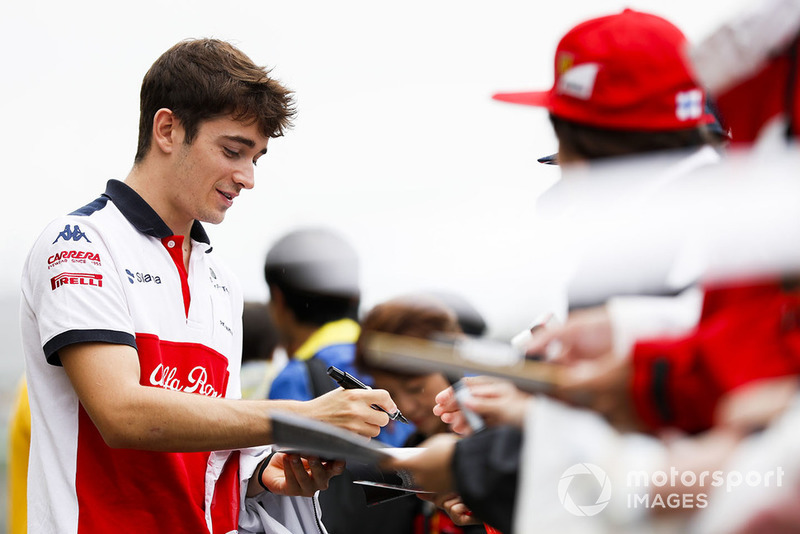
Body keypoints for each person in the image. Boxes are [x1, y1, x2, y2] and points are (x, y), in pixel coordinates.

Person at [20, 38, 398, 533]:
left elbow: (211, 454)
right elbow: (123, 414)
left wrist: (264, 472)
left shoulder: (221, 280)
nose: (248, 177)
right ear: (167, 129)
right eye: (233, 151)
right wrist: (304, 416)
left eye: (257, 157)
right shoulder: (80, 243)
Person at [354, 294, 496, 534]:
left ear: (452, 361)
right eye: (391, 394)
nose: (406, 407)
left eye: (415, 387)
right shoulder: (414, 447)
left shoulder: (499, 448)